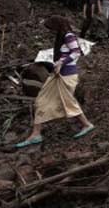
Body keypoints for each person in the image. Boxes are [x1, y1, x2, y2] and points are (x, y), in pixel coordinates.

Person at [15, 16, 94, 148]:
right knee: (41, 100)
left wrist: (61, 62)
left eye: (51, 28)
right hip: (58, 75)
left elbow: (76, 52)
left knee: (68, 101)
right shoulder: (61, 37)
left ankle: (86, 124)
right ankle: (36, 134)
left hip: (67, 76)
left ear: (58, 26)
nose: (51, 31)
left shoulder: (69, 36)